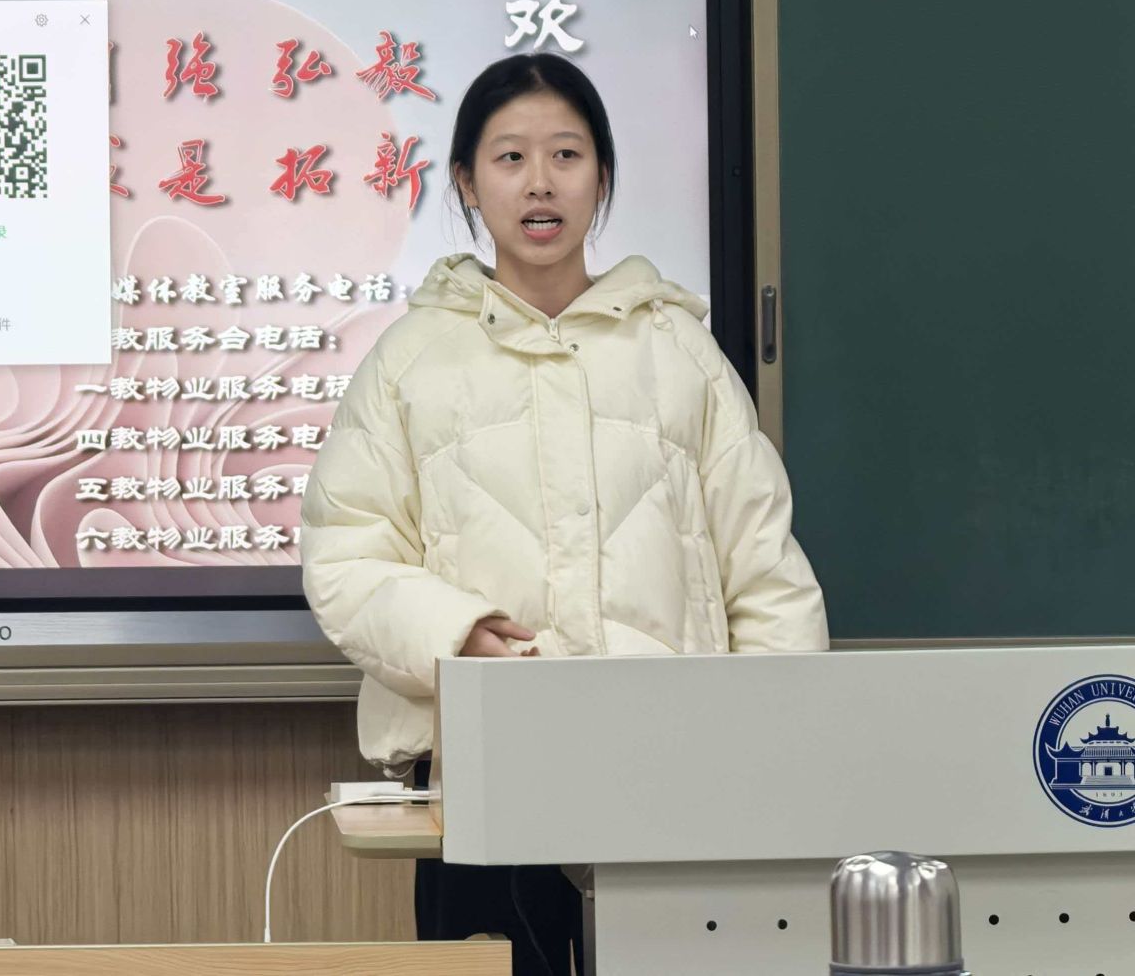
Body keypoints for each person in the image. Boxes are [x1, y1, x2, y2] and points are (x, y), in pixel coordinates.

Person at [300, 52, 827, 974]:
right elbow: (345, 558)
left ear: (603, 178)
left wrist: (773, 760)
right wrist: (459, 635)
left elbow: (764, 571)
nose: (539, 183)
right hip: (484, 778)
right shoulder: (410, 361)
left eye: (567, 155)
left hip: (676, 780)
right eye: (509, 158)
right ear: (466, 182)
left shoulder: (681, 353)